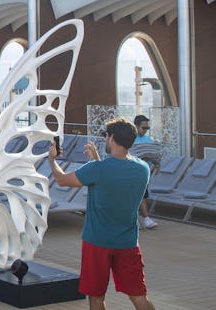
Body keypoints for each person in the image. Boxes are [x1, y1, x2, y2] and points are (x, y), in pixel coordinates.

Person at [48, 118, 155, 310]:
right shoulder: (143, 168)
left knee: (96, 297)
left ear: (111, 138)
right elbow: (114, 178)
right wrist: (96, 161)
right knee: (139, 297)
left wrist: (52, 159)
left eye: (106, 136)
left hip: (97, 242)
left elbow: (62, 180)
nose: (105, 139)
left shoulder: (98, 169)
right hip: (128, 243)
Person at [131, 115, 159, 230]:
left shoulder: (148, 141)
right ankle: (145, 219)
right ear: (136, 126)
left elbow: (153, 155)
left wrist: (156, 164)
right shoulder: (129, 139)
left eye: (147, 128)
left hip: (143, 173)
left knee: (142, 195)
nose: (145, 130)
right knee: (138, 195)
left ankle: (144, 219)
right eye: (143, 128)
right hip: (131, 172)